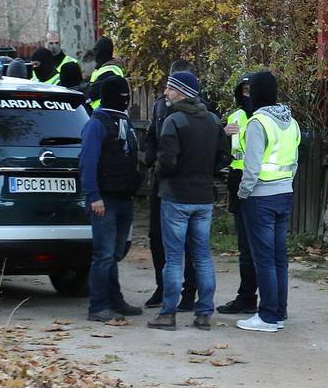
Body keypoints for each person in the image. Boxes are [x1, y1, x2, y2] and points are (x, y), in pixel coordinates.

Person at [147, 70, 228, 331]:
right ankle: (204, 313)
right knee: (202, 257)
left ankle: (167, 314)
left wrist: (159, 172)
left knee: (173, 258)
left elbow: (167, 162)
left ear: (181, 92)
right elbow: (222, 158)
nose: (166, 93)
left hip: (175, 198)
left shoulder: (174, 121)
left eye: (170, 88)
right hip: (203, 198)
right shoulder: (214, 121)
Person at [236, 70, 301, 333]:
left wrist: (243, 193)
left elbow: (251, 168)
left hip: (260, 197)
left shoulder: (257, 123)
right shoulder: (290, 122)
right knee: (279, 259)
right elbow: (295, 161)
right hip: (284, 193)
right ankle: (279, 313)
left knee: (263, 259)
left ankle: (267, 317)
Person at [78, 75, 144, 323]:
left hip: (123, 196)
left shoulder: (122, 121)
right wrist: (93, 196)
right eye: (124, 96)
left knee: (115, 254)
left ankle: (115, 300)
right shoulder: (97, 124)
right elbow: (88, 162)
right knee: (104, 255)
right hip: (103, 199)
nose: (127, 100)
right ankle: (98, 307)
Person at [143, 60, 200, 309]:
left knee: (188, 241)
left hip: (186, 183)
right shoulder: (159, 106)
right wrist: (151, 160)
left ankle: (189, 293)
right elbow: (151, 138)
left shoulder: (199, 110)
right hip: (161, 181)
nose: (168, 91)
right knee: (157, 236)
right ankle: (163, 286)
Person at [218, 74, 259, 316]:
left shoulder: (266, 118)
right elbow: (224, 152)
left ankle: (262, 300)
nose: (248, 95)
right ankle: (247, 297)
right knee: (245, 247)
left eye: (251, 90)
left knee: (259, 248)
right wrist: (222, 133)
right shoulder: (234, 117)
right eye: (243, 91)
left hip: (260, 185)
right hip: (238, 183)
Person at [87, 36, 125, 112]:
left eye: (96, 50)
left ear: (102, 52)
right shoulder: (104, 68)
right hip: (101, 112)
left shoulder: (110, 71)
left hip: (104, 113)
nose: (95, 54)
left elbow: (92, 92)